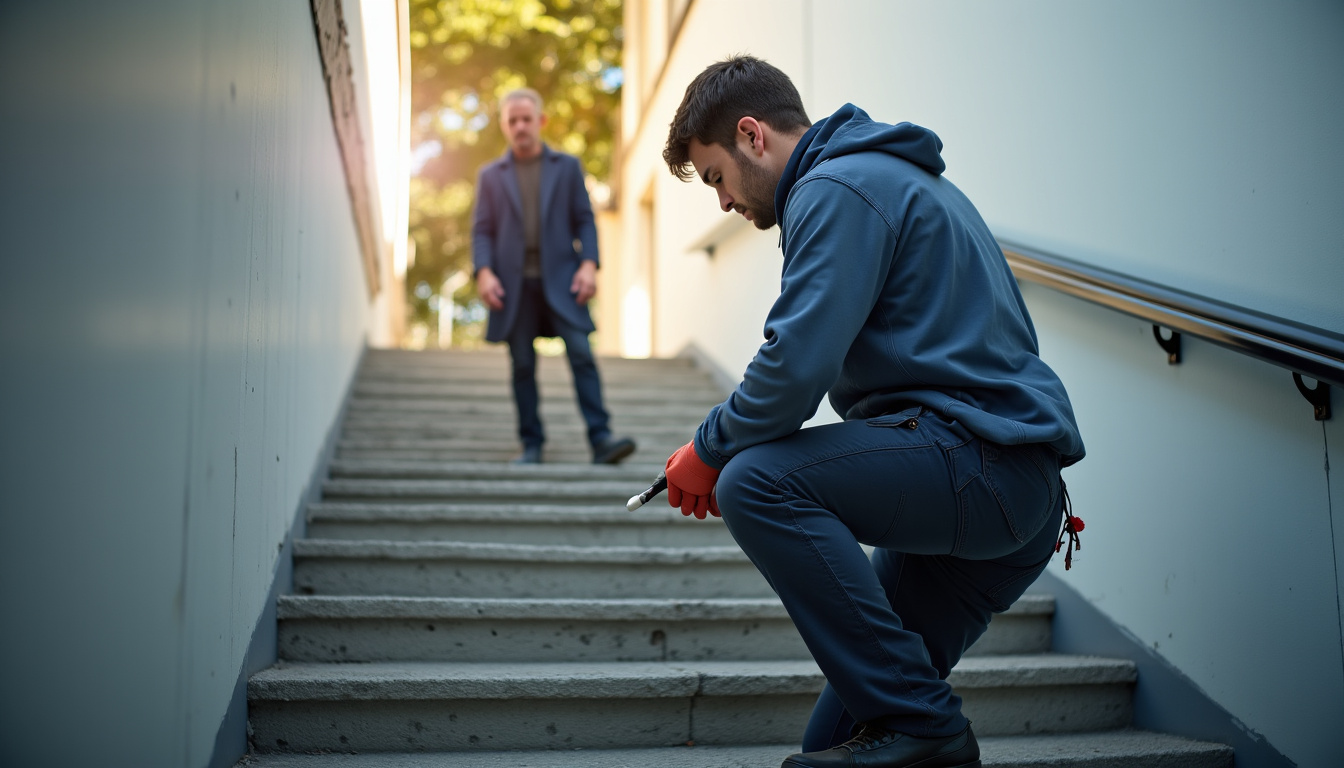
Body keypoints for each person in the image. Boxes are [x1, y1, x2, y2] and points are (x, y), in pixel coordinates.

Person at [658, 56, 1086, 768]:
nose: (724, 204)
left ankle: (930, 729)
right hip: (1007, 488)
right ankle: (922, 728)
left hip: (979, 463)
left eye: (715, 179)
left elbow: (794, 367)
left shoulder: (836, 186)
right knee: (836, 750)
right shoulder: (886, 176)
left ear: (751, 136)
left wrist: (708, 449)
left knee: (755, 481)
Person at [472, 88, 635, 465]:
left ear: (540, 121)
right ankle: (531, 444)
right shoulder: (490, 176)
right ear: (504, 125)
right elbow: (482, 230)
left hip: (563, 279)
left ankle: (601, 440)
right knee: (522, 365)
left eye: (526, 119)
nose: (520, 126)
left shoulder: (567, 166)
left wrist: (589, 264)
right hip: (513, 287)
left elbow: (584, 219)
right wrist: (483, 273)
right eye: (512, 121)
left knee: (581, 354)